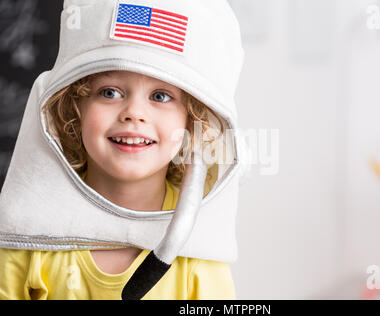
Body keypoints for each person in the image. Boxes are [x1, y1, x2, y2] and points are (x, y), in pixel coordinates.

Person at [0, 0, 246, 300]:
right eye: (110, 92)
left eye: (160, 95)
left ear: (192, 121)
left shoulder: (195, 251)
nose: (133, 112)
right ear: (75, 108)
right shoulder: (30, 238)